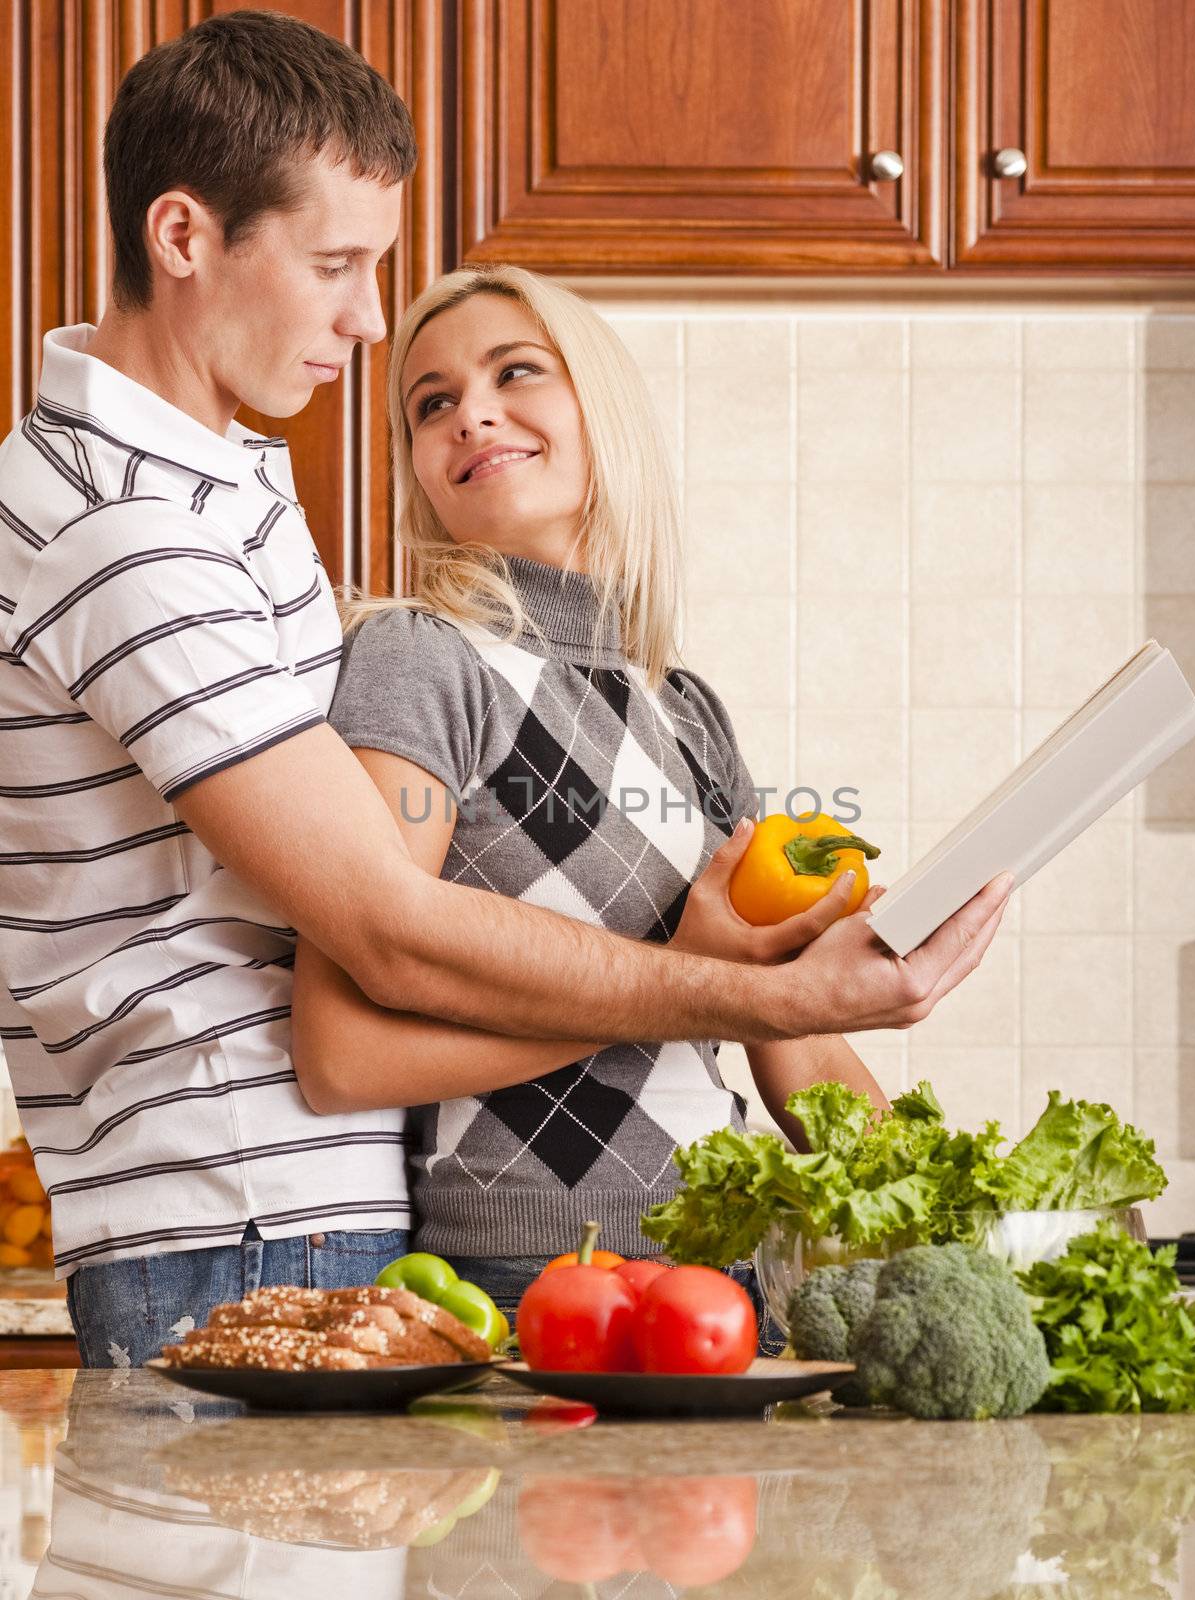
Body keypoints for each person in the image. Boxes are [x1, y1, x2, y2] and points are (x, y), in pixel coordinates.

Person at [0, 11, 1011, 1367]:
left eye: (513, 373)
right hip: (239, 1205)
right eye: (339, 266)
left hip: (304, 1202)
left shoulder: (220, 490)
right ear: (185, 239)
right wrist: (740, 990)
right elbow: (383, 939)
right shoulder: (130, 527)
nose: (367, 322)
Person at [285, 264, 880, 1327]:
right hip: (527, 1282)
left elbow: (792, 1036)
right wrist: (686, 979)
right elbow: (345, 1053)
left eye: (514, 372)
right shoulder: (421, 660)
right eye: (431, 403)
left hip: (726, 1270)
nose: (469, 413)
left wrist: (961, 1209)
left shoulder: (685, 707)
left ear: (598, 410)